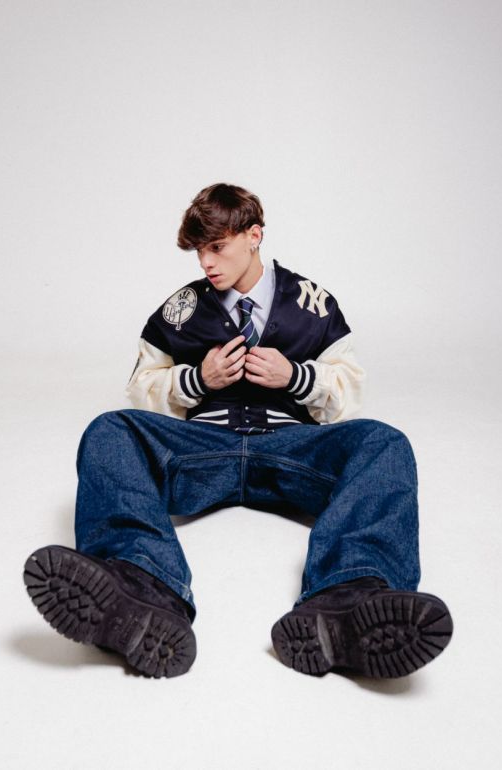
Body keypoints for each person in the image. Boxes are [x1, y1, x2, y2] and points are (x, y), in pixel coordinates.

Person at [23, 183, 453, 679]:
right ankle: (140, 583)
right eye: (199, 251)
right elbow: (140, 388)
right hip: (202, 450)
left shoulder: (311, 304)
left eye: (217, 246)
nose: (206, 262)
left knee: (384, 442)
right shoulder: (181, 309)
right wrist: (197, 380)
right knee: (109, 430)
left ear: (254, 235)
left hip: (289, 449)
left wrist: (296, 377)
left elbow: (350, 389)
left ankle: (349, 594)